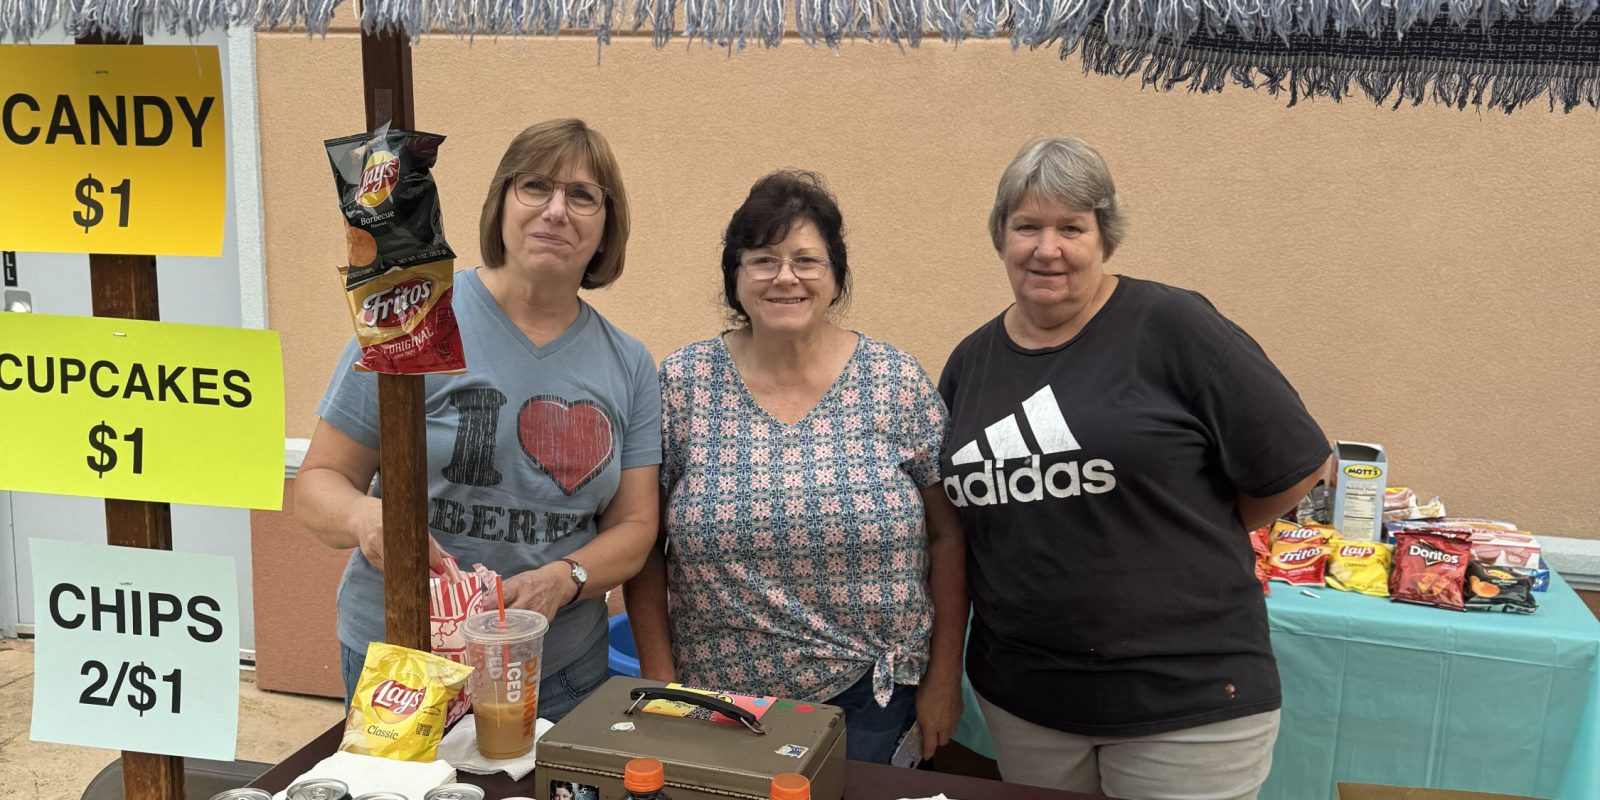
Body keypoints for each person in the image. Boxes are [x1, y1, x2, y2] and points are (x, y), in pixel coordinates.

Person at [938, 137, 1331, 800]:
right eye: (1027, 226)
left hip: (1186, 700)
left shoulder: (1172, 326)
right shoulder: (972, 362)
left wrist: (1184, 525)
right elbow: (959, 515)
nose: (1047, 248)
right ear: (1001, 237)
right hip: (1027, 699)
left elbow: (1296, 466)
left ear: (1105, 237)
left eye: (1071, 227)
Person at [296, 119, 661, 721]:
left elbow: (637, 526)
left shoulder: (628, 362)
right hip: (406, 666)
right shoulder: (414, 317)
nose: (556, 211)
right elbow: (318, 483)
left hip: (560, 674)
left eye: (582, 195)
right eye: (536, 187)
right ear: (501, 204)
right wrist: (368, 518)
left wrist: (565, 577)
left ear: (606, 227)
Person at [625, 171, 967, 764]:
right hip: (718, 700)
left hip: (873, 697)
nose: (786, 277)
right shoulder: (681, 384)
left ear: (836, 277)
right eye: (763, 260)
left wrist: (942, 680)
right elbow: (642, 542)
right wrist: (662, 682)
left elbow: (947, 533)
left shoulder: (895, 381)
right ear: (736, 278)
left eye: (807, 260)